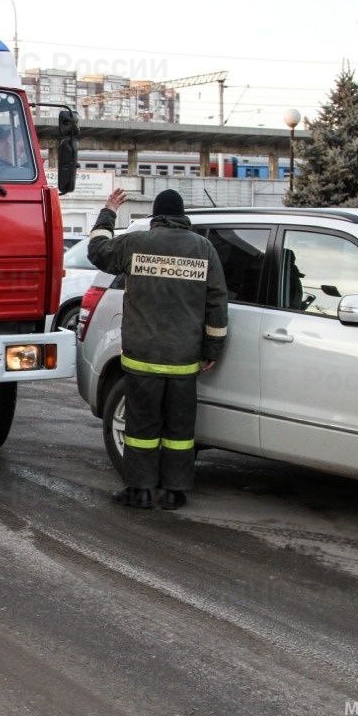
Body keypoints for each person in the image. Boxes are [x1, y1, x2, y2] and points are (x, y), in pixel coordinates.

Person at [87, 188, 228, 510]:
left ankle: (141, 491)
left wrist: (108, 212)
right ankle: (174, 492)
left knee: (142, 427)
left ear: (156, 215)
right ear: (182, 216)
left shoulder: (136, 244)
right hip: (183, 359)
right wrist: (212, 348)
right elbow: (217, 300)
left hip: (142, 357)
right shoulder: (203, 248)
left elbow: (97, 251)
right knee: (179, 429)